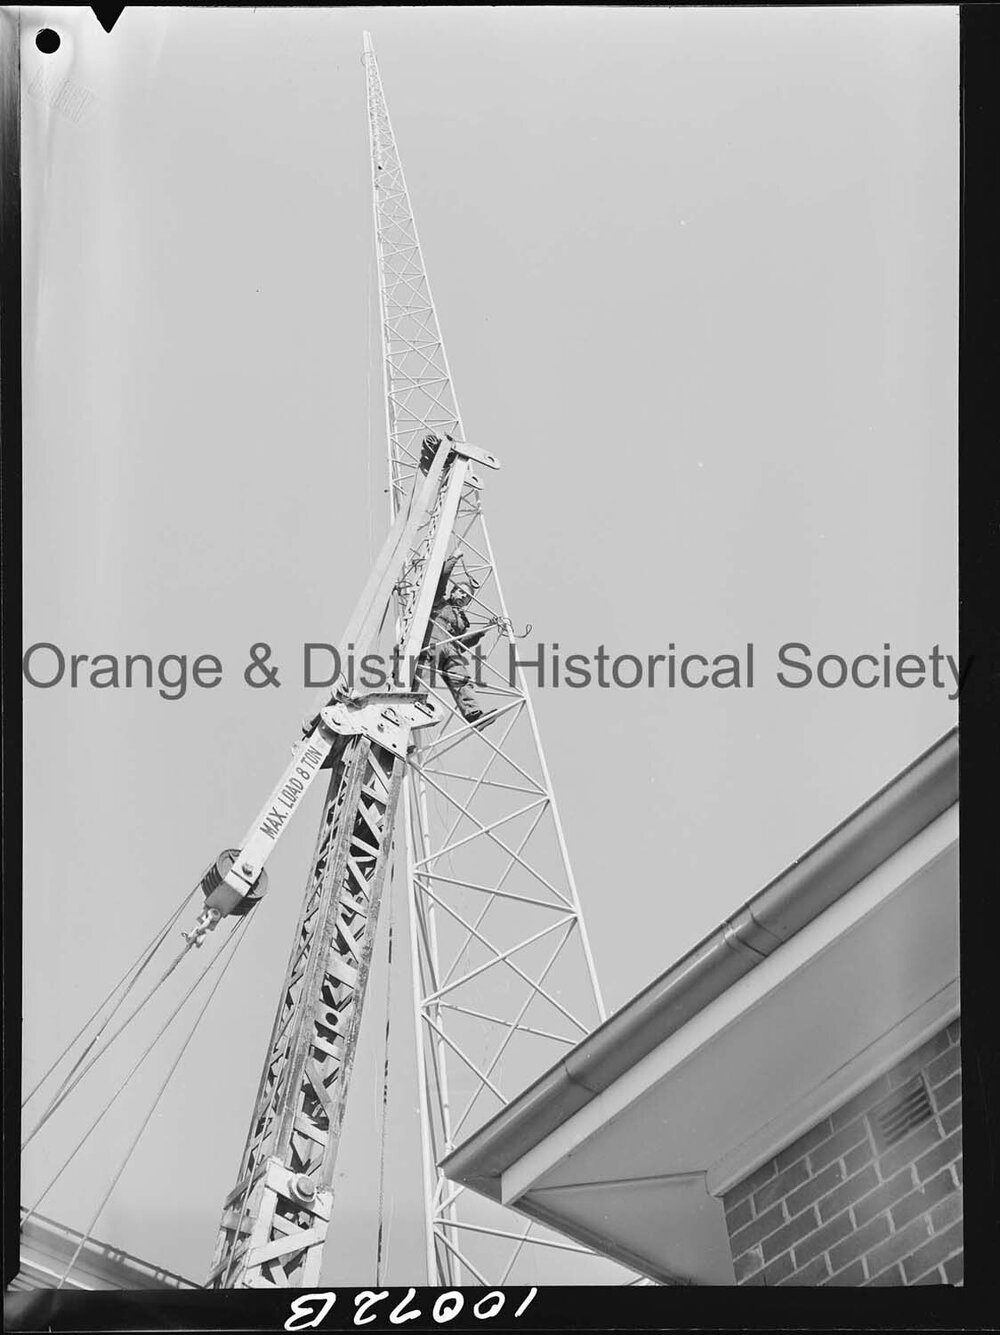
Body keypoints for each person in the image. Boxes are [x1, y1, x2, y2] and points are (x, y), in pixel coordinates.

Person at [421, 554, 496, 729]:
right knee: (424, 676)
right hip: (433, 643)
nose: (463, 596)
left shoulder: (462, 621)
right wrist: (453, 559)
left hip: (451, 651)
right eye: (461, 591)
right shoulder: (439, 601)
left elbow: (462, 643)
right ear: (453, 591)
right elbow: (442, 578)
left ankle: (475, 716)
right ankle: (413, 706)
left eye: (467, 596)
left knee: (461, 679)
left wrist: (485, 630)